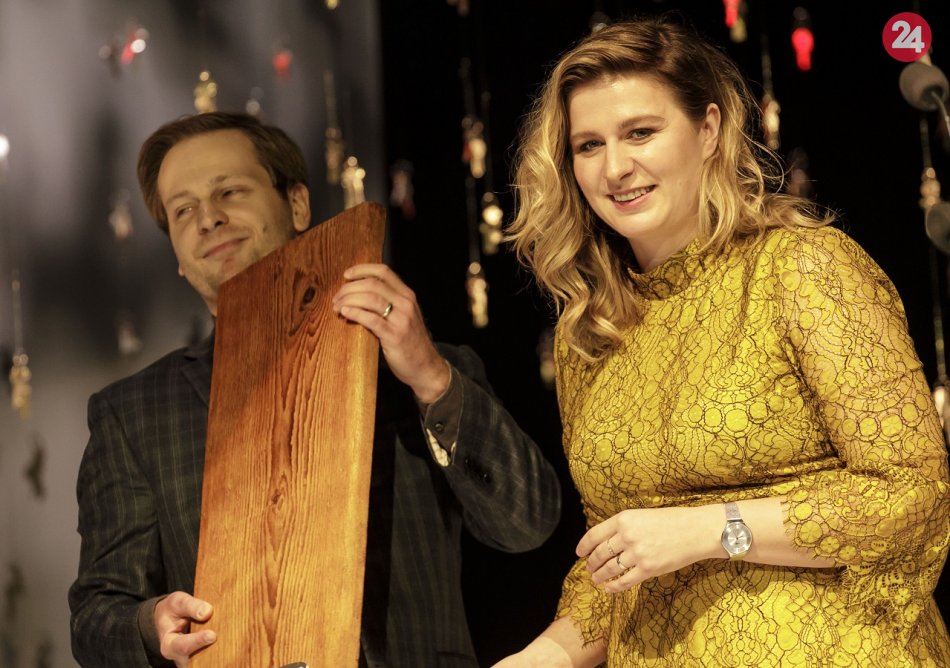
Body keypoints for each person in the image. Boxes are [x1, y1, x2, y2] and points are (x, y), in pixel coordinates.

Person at [496, 15, 950, 667]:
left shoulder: (801, 267)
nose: (615, 167)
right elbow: (617, 563)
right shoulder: (590, 329)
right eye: (589, 145)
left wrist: (713, 528)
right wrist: (537, 658)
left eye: (641, 132)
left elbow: (910, 495)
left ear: (708, 130)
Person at [68, 111, 561, 668]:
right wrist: (150, 622)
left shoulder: (420, 366)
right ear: (178, 258)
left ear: (298, 205)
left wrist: (429, 376)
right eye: (183, 210)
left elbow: (527, 524)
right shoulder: (132, 414)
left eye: (229, 191)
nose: (208, 219)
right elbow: (95, 614)